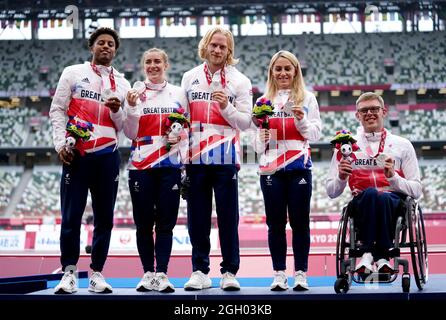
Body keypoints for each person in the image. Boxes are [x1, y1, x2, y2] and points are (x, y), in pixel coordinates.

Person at [50, 27, 130, 294]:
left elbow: (126, 127)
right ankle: (69, 272)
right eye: (101, 43)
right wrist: (61, 143)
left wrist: (118, 111)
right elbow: (58, 110)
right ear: (92, 47)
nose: (106, 47)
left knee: (105, 218)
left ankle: (97, 272)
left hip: (108, 155)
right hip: (77, 154)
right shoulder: (73, 73)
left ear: (115, 50)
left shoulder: (123, 83)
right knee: (71, 216)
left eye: (110, 44)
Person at [181, 26, 253, 291]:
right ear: (206, 45)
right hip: (196, 158)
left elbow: (246, 122)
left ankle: (229, 272)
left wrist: (227, 107)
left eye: (223, 46)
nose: (218, 50)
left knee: (227, 217)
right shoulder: (189, 77)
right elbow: (182, 120)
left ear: (229, 50)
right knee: (197, 218)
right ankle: (199, 270)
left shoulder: (240, 81)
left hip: (225, 157)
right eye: (214, 45)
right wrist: (181, 159)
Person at [326, 92, 422, 276]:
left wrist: (393, 177)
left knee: (382, 196)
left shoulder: (403, 145)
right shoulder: (346, 147)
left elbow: (417, 190)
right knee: (370, 194)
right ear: (357, 115)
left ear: (383, 111)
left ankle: (369, 255)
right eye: (364, 110)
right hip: (362, 204)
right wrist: (340, 178)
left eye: (374, 109)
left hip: (393, 204)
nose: (369, 113)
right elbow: (331, 192)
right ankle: (381, 256)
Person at [252, 50, 321, 291]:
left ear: (295, 72)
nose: (282, 73)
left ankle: (301, 273)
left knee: (301, 223)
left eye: (287, 69)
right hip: (270, 170)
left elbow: (315, 134)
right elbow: (255, 147)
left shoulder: (307, 98)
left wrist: (301, 120)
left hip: (299, 167)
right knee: (275, 224)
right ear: (272, 72)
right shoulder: (262, 102)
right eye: (278, 69)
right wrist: (261, 138)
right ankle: (279, 274)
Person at [123, 48, 188, 293]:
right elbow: (129, 132)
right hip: (140, 165)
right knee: (142, 224)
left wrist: (179, 137)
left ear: (166, 64)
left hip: (169, 166)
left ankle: (161, 274)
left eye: (157, 61)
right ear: (143, 66)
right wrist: (130, 107)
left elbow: (187, 130)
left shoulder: (178, 94)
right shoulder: (135, 93)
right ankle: (147, 273)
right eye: (148, 62)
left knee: (165, 224)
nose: (153, 66)